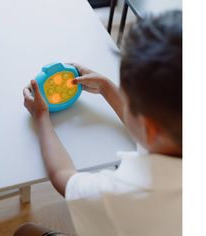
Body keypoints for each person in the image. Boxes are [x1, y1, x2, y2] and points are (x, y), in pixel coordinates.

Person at [15, 10, 182, 236]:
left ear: (149, 128)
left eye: (129, 100)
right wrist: (106, 86)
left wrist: (42, 117)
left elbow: (63, 175)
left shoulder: (121, 193)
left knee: (26, 231)